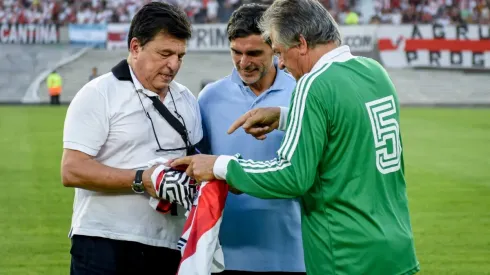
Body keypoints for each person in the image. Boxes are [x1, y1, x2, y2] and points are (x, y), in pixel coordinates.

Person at [170, 0, 420, 274]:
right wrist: (287, 117)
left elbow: (293, 176)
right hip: (395, 246)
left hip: (346, 252)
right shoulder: (374, 72)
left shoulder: (313, 83)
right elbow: (344, 126)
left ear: (301, 43)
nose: (281, 62)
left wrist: (221, 166)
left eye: (279, 51)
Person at [61, 2, 202, 275]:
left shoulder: (186, 99)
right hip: (103, 240)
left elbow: (196, 161)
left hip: (168, 243)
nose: (173, 65)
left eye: (180, 56)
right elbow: (72, 170)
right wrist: (142, 179)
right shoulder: (98, 94)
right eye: (164, 53)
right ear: (135, 47)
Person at [198, 4, 305, 274]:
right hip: (225, 255)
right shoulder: (210, 98)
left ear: (275, 48)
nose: (244, 62)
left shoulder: (303, 94)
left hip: (293, 253)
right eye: (236, 52)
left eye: (254, 53)